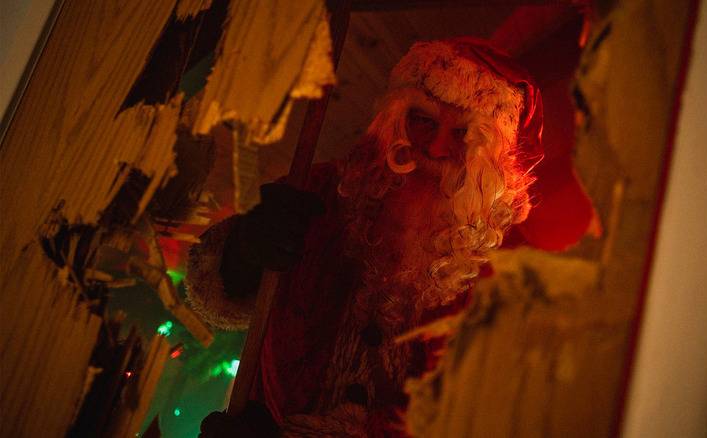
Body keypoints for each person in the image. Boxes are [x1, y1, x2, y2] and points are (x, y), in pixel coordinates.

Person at [188, 32, 592, 437]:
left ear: (488, 158)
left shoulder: (505, 275)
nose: (435, 148)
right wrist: (242, 251)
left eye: (462, 135)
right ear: (397, 117)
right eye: (424, 121)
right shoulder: (323, 190)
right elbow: (215, 299)